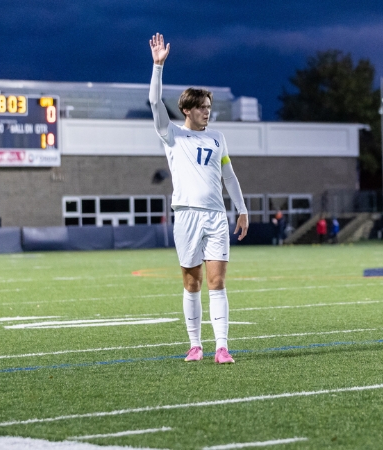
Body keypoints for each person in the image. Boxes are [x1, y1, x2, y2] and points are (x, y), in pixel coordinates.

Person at [149, 33, 248, 364]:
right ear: (187, 109)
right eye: (203, 108)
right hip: (187, 216)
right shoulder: (172, 135)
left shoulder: (219, 138)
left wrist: (242, 209)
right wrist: (157, 67)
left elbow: (229, 176)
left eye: (209, 107)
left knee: (217, 281)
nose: (208, 112)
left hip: (216, 217)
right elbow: (153, 103)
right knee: (192, 283)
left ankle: (222, 347)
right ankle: (195, 344)